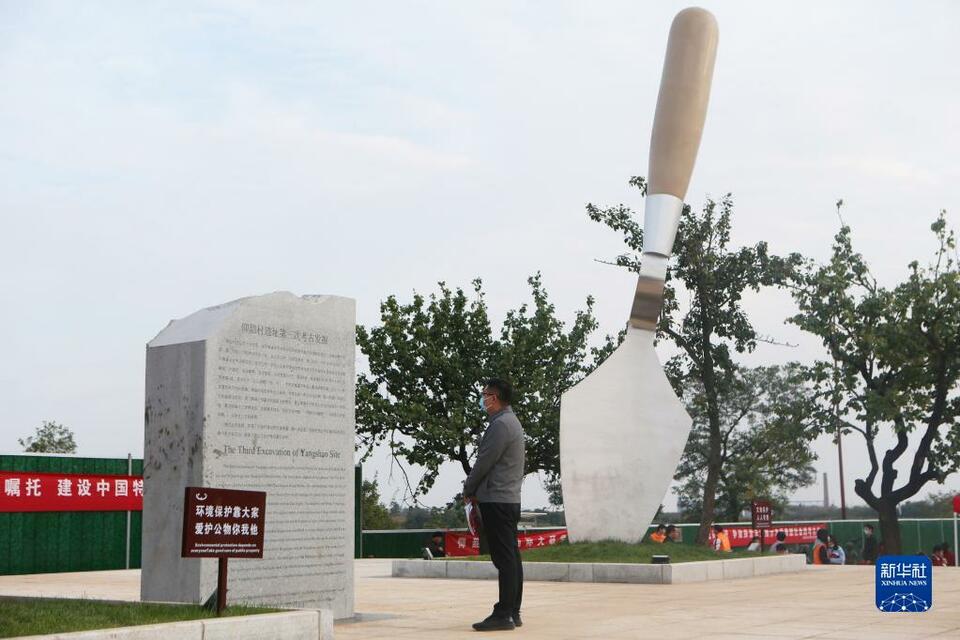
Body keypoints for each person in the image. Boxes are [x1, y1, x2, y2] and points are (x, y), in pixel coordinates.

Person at [463, 378, 526, 632]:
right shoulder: (512, 422)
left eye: (485, 395)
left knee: (504, 559)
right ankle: (512, 611)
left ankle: (504, 614)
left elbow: (484, 461)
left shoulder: (500, 425)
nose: (482, 399)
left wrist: (468, 489)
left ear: (495, 398)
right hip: (508, 499)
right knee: (511, 556)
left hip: (497, 500)